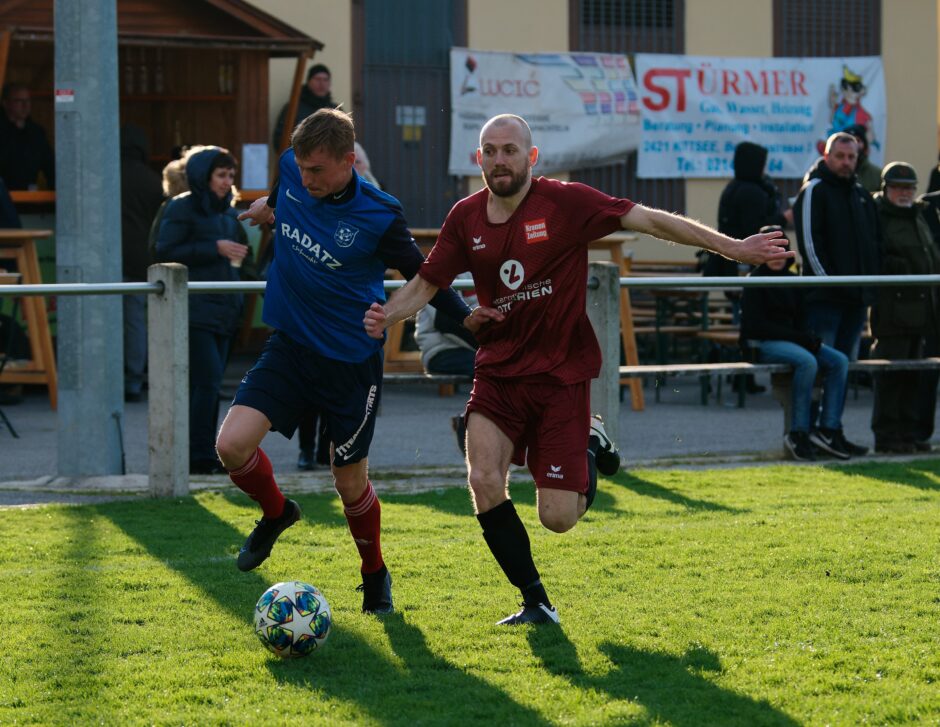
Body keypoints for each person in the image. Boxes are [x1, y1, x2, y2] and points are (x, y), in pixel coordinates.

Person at [363, 114, 792, 626]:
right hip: (499, 371)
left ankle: (590, 440)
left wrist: (736, 248)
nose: (500, 160)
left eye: (510, 150)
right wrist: (385, 317)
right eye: (490, 151)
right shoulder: (466, 217)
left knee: (558, 517)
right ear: (479, 159)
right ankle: (535, 601)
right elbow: (426, 282)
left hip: (561, 376)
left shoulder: (566, 202)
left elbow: (650, 220)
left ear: (532, 156)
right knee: (482, 478)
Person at [216, 108, 471, 614]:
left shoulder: (379, 213)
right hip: (290, 346)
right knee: (230, 445)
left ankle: (374, 574)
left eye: (318, 170)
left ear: (348, 161)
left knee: (348, 480)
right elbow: (285, 200)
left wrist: (470, 323)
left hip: (349, 362)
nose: (305, 177)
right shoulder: (292, 170)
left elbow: (425, 274)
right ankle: (276, 512)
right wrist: (268, 208)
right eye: (302, 168)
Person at [155, 146, 249, 475]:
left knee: (211, 384)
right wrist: (215, 248)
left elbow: (239, 261)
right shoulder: (181, 207)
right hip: (195, 310)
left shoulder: (228, 213)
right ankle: (197, 455)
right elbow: (164, 250)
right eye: (221, 175)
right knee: (206, 382)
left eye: (231, 176)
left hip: (224, 309)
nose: (227, 182)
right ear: (202, 176)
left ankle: (205, 453)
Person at [794, 131, 880, 456]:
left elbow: (874, 246)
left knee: (843, 371)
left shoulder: (860, 195)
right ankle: (805, 432)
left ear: (858, 159)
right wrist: (831, 285)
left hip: (855, 302)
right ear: (827, 156)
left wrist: (869, 286)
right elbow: (810, 246)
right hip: (824, 301)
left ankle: (832, 430)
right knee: (818, 368)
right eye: (840, 156)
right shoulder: (814, 190)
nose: (846, 163)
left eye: (852, 157)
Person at [740, 227, 850, 461]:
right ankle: (798, 432)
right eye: (771, 251)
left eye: (782, 251)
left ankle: (828, 429)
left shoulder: (794, 281)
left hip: (792, 341)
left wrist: (808, 338)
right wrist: (802, 339)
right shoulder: (754, 282)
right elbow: (755, 326)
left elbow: (801, 320)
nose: (778, 257)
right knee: (807, 361)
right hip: (763, 344)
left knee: (839, 360)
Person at [870, 163, 940, 453]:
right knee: (891, 376)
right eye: (899, 187)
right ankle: (888, 436)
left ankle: (909, 434)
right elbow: (878, 256)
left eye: (909, 187)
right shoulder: (878, 216)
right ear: (886, 188)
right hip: (893, 312)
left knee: (915, 376)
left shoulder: (918, 216)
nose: (905, 193)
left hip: (922, 312)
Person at [119, 125, 164, 402]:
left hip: (105, 256)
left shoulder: (102, 173)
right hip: (138, 256)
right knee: (135, 318)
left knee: (102, 316)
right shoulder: (151, 180)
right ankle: (133, 380)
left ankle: (109, 376)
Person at [414, 272, 479, 454]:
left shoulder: (483, 264)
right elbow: (445, 321)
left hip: (471, 349)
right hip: (440, 351)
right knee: (494, 367)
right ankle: (469, 423)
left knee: (501, 366)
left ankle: (470, 421)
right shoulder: (446, 266)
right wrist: (487, 345)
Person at [0, 83, 55, 190]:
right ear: (5, 103)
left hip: (29, 197)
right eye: (19, 101)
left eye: (28, 100)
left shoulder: (36, 133)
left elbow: (50, 166)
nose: (25, 105)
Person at [271, 63, 335, 152]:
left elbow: (348, 140)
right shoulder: (293, 109)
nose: (322, 84)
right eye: (317, 79)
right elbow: (280, 141)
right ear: (309, 81)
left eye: (325, 80)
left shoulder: (336, 111)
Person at [843, 123, 882, 194]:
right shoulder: (833, 172)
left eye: (857, 140)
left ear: (865, 145)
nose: (853, 145)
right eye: (849, 140)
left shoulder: (877, 175)